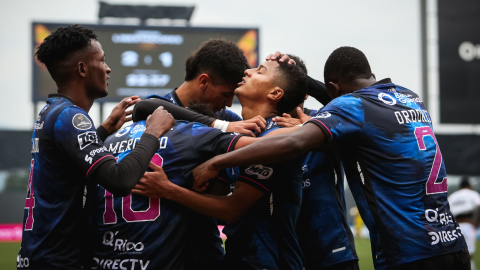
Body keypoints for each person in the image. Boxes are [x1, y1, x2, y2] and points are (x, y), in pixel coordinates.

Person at [191, 47, 470, 270]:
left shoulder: (346, 110)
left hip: (408, 252)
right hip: (451, 242)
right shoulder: (409, 97)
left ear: (334, 90)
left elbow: (298, 139)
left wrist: (216, 162)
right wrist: (299, 77)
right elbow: (358, 107)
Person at [17, 25, 174, 270]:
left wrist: (104, 130)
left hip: (39, 256)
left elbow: (71, 166)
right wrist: (153, 132)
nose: (108, 68)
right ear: (82, 69)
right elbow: (120, 180)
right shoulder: (71, 117)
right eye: (102, 61)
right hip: (58, 262)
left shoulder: (51, 111)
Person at [133, 57, 308, 270]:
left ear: (275, 93)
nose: (248, 72)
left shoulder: (275, 136)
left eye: (260, 71)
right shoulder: (243, 130)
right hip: (238, 260)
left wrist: (169, 190)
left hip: (271, 263)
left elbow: (232, 209)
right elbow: (146, 106)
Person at [91, 106, 260, 269]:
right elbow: (265, 146)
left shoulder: (109, 140)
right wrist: (216, 162)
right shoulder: (193, 133)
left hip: (106, 255)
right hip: (159, 259)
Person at [274, 54, 359, 270]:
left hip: (332, 250)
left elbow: (349, 101)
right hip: (284, 254)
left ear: (304, 92)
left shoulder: (325, 119)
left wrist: (302, 78)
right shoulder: (260, 128)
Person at [448, 176, 480, 268]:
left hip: (456, 226)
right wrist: (476, 223)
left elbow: (446, 211)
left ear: (460, 186)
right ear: (469, 185)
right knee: (470, 254)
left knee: (456, 253)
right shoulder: (472, 193)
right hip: (468, 224)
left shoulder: (453, 196)